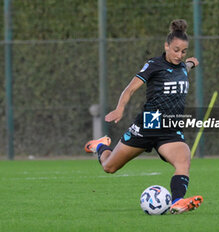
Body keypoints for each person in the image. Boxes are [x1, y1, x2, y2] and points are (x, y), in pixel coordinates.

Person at [84, 19, 203, 214]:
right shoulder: (154, 65)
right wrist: (120, 108)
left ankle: (177, 202)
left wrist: (191, 63)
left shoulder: (182, 66)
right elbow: (130, 89)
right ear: (166, 46)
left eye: (184, 51)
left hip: (170, 129)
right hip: (148, 125)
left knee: (183, 161)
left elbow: (186, 66)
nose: (179, 55)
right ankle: (100, 145)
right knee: (109, 167)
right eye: (175, 50)